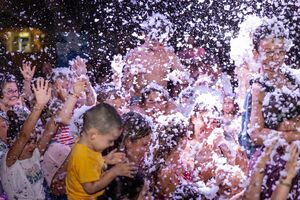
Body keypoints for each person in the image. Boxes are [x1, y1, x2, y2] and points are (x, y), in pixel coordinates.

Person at [244, 20, 300, 198]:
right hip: (273, 161)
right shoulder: (258, 87)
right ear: (256, 54)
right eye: (268, 52)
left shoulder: (295, 79)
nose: (276, 58)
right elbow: (254, 133)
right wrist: (292, 136)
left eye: (281, 52)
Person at [66, 103, 137, 200]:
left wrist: (104, 160)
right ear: (93, 135)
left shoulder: (86, 145)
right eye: (110, 140)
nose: (112, 144)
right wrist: (114, 172)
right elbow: (90, 188)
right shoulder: (82, 156)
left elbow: (87, 166)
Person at [0, 78, 52, 199]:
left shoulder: (20, 112)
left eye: (16, 90)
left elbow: (33, 130)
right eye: (9, 91)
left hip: (26, 165)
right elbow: (23, 137)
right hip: (7, 169)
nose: (14, 94)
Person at [123, 13, 183, 102]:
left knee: (173, 108)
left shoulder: (168, 54)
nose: (157, 47)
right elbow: (125, 86)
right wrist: (130, 76)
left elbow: (183, 77)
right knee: (134, 108)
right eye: (154, 43)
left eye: (161, 44)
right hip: (139, 98)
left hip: (161, 99)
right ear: (144, 36)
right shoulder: (135, 55)